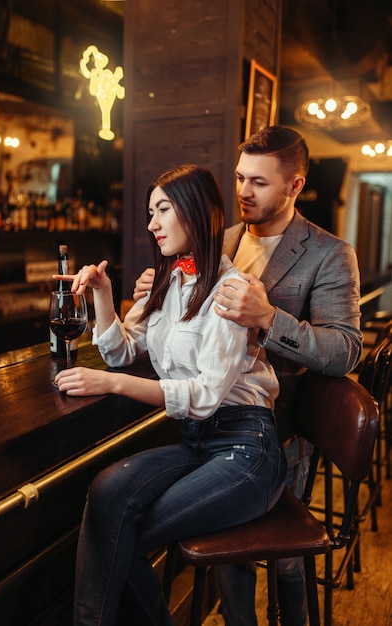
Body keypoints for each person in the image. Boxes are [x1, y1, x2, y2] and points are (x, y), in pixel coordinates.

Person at [133, 127, 363, 626]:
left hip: (280, 430)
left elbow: (345, 351)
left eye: (258, 182)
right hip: (207, 421)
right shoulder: (221, 239)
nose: (242, 191)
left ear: (295, 186)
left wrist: (268, 318)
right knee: (217, 543)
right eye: (239, 177)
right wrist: (158, 295)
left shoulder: (329, 253)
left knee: (282, 565)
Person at [53, 164, 287, 625]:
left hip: (246, 449)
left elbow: (203, 396)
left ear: (195, 211)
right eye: (149, 212)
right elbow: (120, 352)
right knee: (106, 493)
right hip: (197, 443)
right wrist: (103, 292)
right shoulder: (166, 281)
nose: (151, 223)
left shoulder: (232, 291)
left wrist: (110, 383)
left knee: (126, 539)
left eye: (162, 210)